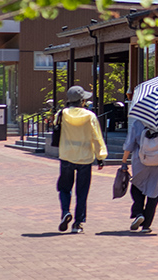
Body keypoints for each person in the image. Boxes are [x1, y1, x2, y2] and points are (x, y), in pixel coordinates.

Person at [56, 85, 107, 234]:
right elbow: (97, 137)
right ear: (82, 101)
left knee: (64, 188)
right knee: (82, 192)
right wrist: (100, 156)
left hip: (67, 155)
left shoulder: (62, 114)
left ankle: (65, 211)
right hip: (85, 157)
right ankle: (77, 223)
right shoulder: (90, 116)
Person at [120, 118, 158, 233]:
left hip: (140, 160)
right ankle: (146, 225)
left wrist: (124, 161)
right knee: (154, 190)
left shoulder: (137, 122)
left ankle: (139, 213)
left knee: (137, 185)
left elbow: (129, 144)